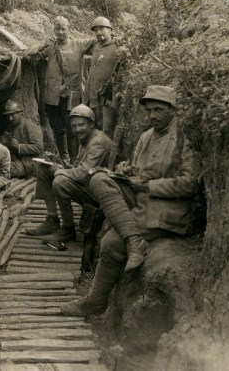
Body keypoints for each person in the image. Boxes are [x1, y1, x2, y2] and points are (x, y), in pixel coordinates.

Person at [60, 85, 199, 317]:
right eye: (149, 111)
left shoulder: (185, 137)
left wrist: (148, 186)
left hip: (167, 208)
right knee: (98, 178)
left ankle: (95, 301)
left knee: (110, 243)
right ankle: (134, 240)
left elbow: (190, 183)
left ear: (173, 109)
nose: (152, 115)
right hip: (141, 200)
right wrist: (127, 170)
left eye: (159, 110)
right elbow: (139, 171)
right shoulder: (146, 136)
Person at [26, 104, 114, 243]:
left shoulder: (98, 142)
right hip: (88, 184)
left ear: (92, 124)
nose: (77, 129)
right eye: (74, 126)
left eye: (81, 125)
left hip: (100, 193)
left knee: (60, 181)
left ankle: (68, 229)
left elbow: (84, 174)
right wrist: (60, 163)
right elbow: (80, 167)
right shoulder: (86, 138)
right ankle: (52, 220)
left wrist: (60, 170)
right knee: (44, 169)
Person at [25, 16, 96, 163]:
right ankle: (64, 156)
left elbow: (97, 41)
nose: (60, 32)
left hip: (72, 95)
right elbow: (29, 53)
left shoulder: (78, 44)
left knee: (72, 129)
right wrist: (44, 44)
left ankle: (75, 158)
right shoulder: (50, 47)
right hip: (52, 95)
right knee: (57, 128)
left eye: (63, 29)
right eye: (57, 29)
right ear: (54, 31)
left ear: (68, 29)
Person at [85, 17, 124, 135]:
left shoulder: (118, 47)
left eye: (101, 29)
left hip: (106, 99)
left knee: (106, 132)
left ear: (110, 30)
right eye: (96, 30)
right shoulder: (96, 46)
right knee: (91, 130)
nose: (98, 32)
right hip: (92, 97)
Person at [0, 99, 44, 178]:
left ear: (19, 112)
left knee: (4, 169)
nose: (10, 118)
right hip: (15, 160)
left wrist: (19, 147)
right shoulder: (10, 127)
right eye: (8, 116)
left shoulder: (30, 126)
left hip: (28, 162)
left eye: (12, 114)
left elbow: (39, 147)